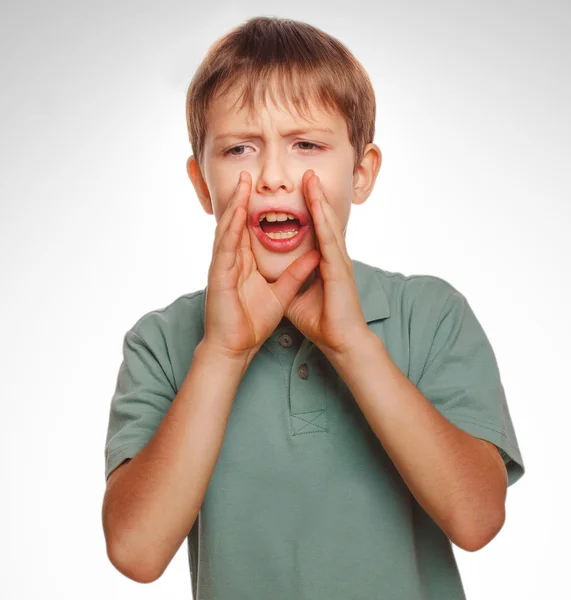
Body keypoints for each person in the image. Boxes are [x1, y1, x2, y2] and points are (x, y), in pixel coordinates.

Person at [102, 16, 525, 600]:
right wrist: (222, 353)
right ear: (203, 184)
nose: (274, 176)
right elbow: (136, 552)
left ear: (361, 172)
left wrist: (352, 344)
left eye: (307, 144)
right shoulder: (164, 341)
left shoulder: (429, 314)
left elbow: (477, 519)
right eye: (240, 149)